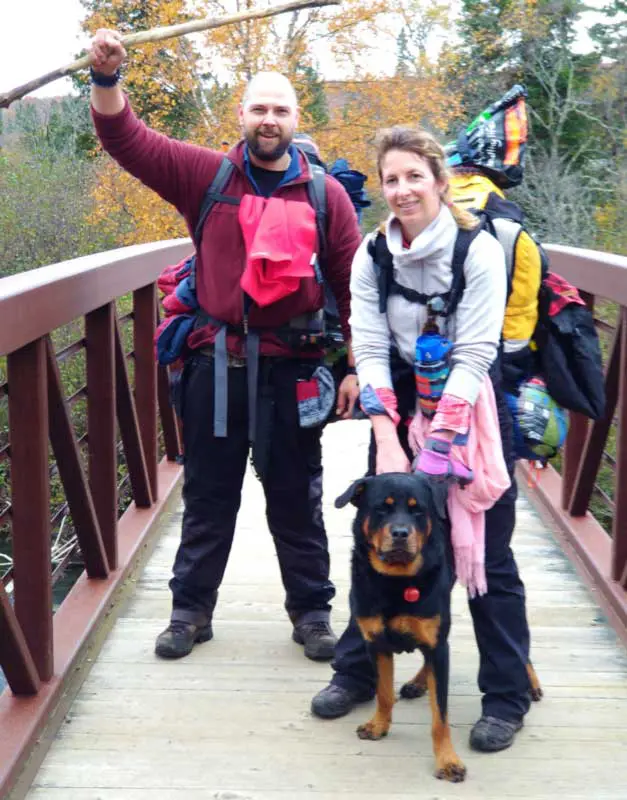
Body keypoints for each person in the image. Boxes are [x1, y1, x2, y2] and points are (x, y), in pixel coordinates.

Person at [88, 30, 362, 662]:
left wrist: (351, 367)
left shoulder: (328, 197)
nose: (269, 120)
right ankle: (190, 612)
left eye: (281, 110)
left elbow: (353, 289)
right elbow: (126, 139)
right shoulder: (206, 176)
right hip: (216, 365)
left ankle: (312, 613)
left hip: (293, 368)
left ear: (297, 119)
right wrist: (107, 81)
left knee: (297, 496)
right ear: (241, 116)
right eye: (258, 108)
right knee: (210, 494)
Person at [311, 125, 535, 753]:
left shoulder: (477, 249)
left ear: (440, 180)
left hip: (472, 400)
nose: (403, 190)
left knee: (488, 553)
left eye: (415, 176)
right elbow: (373, 344)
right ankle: (358, 672)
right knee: (377, 529)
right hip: (401, 394)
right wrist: (384, 430)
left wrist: (442, 439)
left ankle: (506, 696)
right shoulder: (373, 253)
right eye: (391, 179)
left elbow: (477, 349)